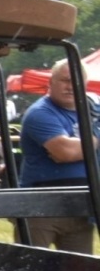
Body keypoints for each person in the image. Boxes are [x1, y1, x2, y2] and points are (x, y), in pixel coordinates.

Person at [18, 59, 98, 254]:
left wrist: (82, 146)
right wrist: (95, 139)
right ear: (51, 82)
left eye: (77, 81)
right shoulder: (40, 112)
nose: (71, 87)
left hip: (82, 206)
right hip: (41, 206)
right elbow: (66, 152)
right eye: (65, 80)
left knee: (80, 269)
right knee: (29, 266)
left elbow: (71, 151)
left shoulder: (92, 110)